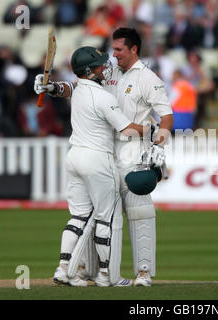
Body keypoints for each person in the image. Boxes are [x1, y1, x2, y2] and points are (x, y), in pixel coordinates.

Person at [34, 28, 173, 287]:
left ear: (134, 49)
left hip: (134, 153)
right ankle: (87, 269)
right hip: (104, 151)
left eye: (119, 49)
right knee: (98, 215)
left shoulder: (148, 78)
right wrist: (53, 87)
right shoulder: (106, 70)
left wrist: (160, 142)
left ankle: (143, 272)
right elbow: (77, 88)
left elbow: (166, 117)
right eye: (113, 49)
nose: (114, 54)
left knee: (139, 213)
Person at [50, 46, 147, 287]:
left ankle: (62, 269)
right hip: (97, 159)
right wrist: (153, 130)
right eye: (99, 66)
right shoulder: (103, 97)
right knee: (107, 219)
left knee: (78, 216)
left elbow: (68, 87)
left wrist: (51, 87)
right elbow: (126, 130)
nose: (105, 67)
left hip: (74, 157)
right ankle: (106, 275)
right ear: (89, 71)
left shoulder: (80, 89)